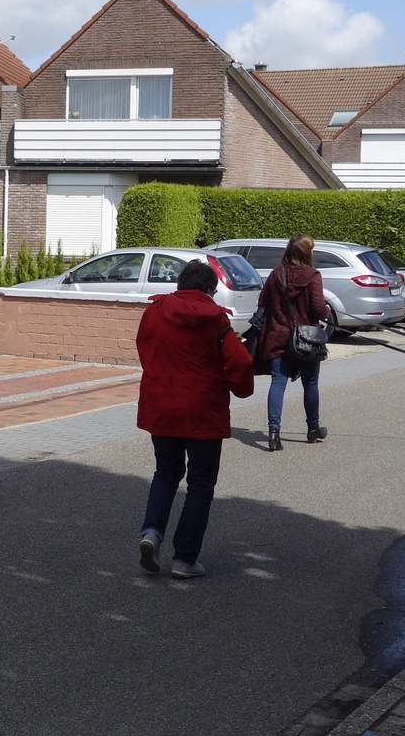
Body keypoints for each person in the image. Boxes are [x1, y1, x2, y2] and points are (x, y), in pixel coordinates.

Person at [136, 259, 255, 579]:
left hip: (161, 406)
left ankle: (151, 533)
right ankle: (185, 559)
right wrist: (240, 390)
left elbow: (144, 350)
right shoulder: (216, 320)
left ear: (180, 284)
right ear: (208, 289)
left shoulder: (155, 311)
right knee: (200, 483)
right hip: (203, 411)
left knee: (166, 472)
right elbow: (241, 362)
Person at [255, 234, 334, 451]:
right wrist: (327, 311)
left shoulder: (276, 273)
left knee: (277, 383)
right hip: (306, 340)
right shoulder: (312, 275)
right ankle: (313, 429)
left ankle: (273, 433)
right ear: (307, 252)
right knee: (310, 384)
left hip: (278, 337)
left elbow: (262, 302)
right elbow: (320, 309)